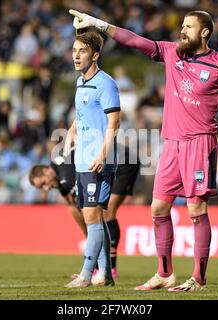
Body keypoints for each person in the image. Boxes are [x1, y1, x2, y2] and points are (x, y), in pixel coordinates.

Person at [69, 9, 218, 292]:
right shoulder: (172, 53)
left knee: (196, 209)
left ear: (205, 32)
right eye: (181, 25)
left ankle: (198, 278)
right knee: (158, 208)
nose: (182, 31)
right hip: (170, 143)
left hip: (200, 142)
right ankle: (165, 273)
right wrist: (99, 24)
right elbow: (134, 40)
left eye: (189, 27)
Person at [61, 29, 121, 288]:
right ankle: (105, 274)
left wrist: (102, 153)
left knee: (92, 217)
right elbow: (82, 114)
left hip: (98, 160)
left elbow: (115, 122)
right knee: (96, 218)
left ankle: (86, 274)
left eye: (82, 51)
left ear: (95, 55)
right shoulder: (80, 82)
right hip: (82, 160)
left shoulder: (106, 83)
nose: (76, 55)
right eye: (74, 50)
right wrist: (70, 133)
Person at [29, 146, 140, 280]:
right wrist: (89, 236)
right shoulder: (58, 174)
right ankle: (100, 268)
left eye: (43, 184)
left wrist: (92, 235)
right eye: (41, 187)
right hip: (109, 162)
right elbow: (72, 207)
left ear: (47, 172)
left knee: (107, 212)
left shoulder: (67, 173)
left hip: (124, 161)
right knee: (98, 215)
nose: (47, 188)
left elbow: (85, 209)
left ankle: (110, 268)